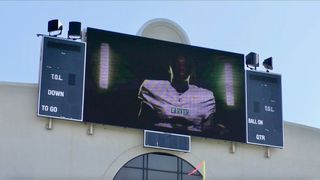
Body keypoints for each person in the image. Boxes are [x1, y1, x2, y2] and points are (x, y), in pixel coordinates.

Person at [137, 55, 216, 132]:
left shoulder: (205, 96)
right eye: (177, 65)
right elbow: (142, 122)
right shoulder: (154, 87)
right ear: (170, 68)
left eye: (185, 65)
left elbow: (207, 129)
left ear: (191, 70)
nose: (181, 68)